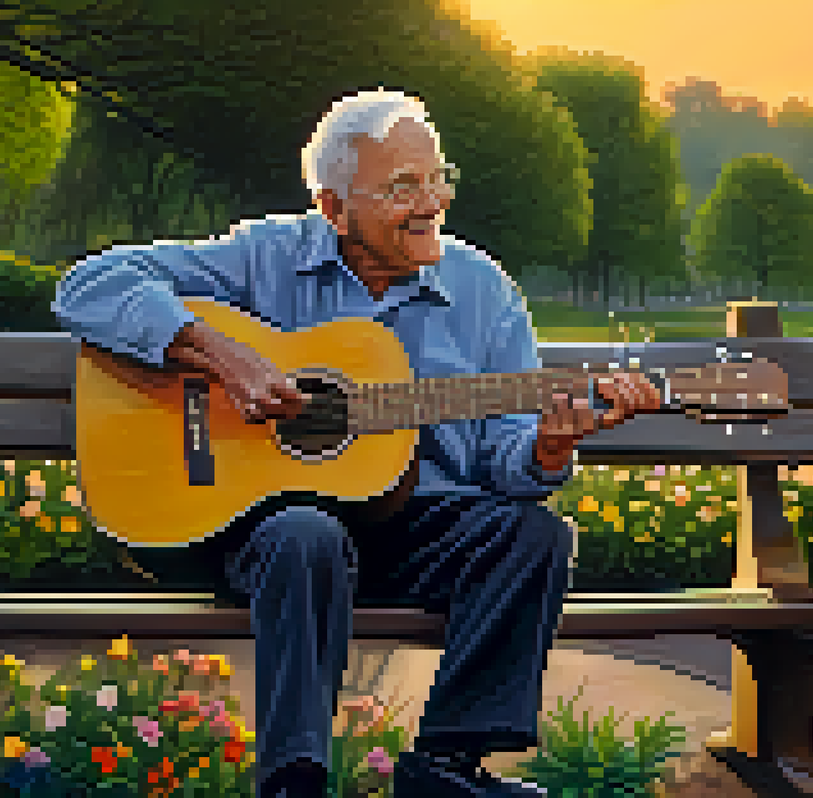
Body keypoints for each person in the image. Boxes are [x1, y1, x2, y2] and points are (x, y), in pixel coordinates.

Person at [53, 88, 660, 798]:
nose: (430, 202)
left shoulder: (483, 291)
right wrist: (223, 355)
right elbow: (88, 284)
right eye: (404, 187)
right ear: (334, 208)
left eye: (438, 179)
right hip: (262, 535)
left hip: (411, 530)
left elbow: (504, 456)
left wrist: (547, 450)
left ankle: (447, 767)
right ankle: (295, 781)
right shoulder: (264, 257)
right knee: (308, 532)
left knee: (534, 535)